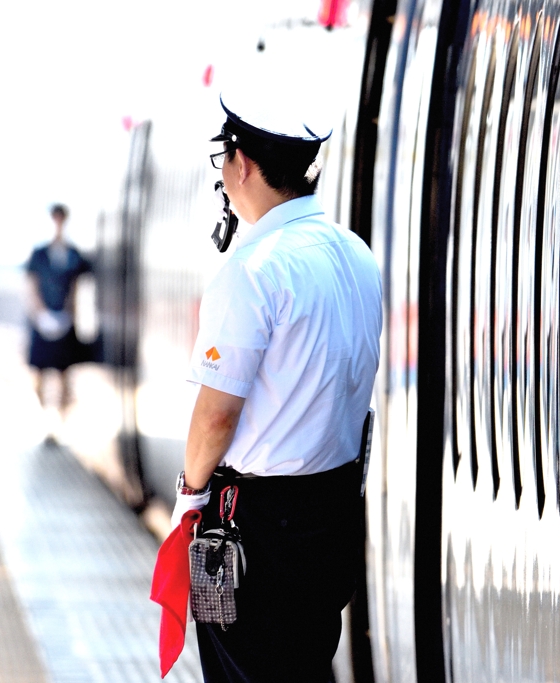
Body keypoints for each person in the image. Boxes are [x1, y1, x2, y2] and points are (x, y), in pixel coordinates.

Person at [169, 90, 382, 681]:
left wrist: (189, 498)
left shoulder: (253, 269)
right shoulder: (356, 255)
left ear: (241, 164)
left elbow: (216, 415)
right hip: (332, 514)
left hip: (255, 531)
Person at [25, 203, 93, 411]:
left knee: (65, 373)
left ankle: (60, 422)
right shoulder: (39, 254)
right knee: (38, 374)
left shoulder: (73, 254)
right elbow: (31, 286)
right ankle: (44, 417)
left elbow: (77, 286)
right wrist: (41, 314)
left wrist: (69, 315)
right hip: (41, 320)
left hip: (65, 320)